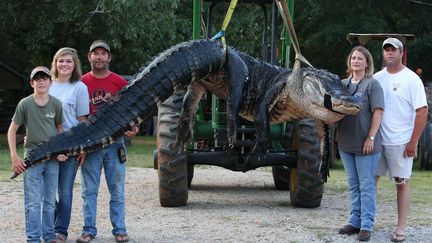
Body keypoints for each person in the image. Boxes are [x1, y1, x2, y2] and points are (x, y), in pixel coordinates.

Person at [77, 40, 138, 243]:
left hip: (115, 144)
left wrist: (134, 125)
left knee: (117, 190)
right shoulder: (82, 82)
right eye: (96, 53)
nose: (100, 57)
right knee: (89, 191)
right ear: (89, 57)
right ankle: (88, 230)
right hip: (92, 145)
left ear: (109, 58)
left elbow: (134, 106)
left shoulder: (119, 82)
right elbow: (78, 113)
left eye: (103, 53)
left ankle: (120, 230)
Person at [374, 38, 428, 242]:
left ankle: (401, 228)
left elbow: (422, 111)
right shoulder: (377, 78)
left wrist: (413, 142)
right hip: (378, 140)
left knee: (401, 183)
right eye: (386, 50)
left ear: (401, 53)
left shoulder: (412, 79)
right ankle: (366, 223)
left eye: (393, 50)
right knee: (371, 181)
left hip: (400, 141)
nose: (389, 53)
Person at [7, 66, 66, 243]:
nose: (41, 81)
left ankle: (48, 236)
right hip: (32, 158)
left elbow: (59, 130)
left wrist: (61, 150)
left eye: (44, 78)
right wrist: (14, 155)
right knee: (33, 201)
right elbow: (12, 131)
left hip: (52, 159)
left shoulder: (56, 104)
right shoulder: (25, 104)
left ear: (50, 82)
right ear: (32, 83)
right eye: (37, 79)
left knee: (49, 201)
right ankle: (33, 238)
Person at [336, 46, 384, 242]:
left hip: (366, 145)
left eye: (360, 58)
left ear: (367, 63)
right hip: (346, 143)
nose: (355, 61)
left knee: (367, 185)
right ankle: (354, 221)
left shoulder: (372, 85)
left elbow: (378, 113)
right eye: (353, 58)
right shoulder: (341, 84)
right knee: (353, 185)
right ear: (350, 62)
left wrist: (370, 138)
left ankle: (366, 225)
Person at [48, 47, 90, 242]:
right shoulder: (47, 84)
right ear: (55, 64)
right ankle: (51, 223)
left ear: (75, 65)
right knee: (44, 190)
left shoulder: (79, 87)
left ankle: (60, 231)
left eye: (68, 61)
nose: (64, 64)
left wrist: (83, 148)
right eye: (60, 61)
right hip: (48, 145)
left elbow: (82, 120)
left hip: (70, 145)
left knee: (64, 191)